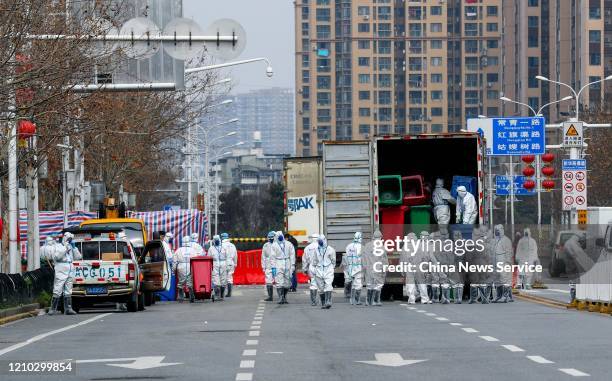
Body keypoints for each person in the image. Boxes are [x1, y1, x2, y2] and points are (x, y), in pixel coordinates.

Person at [47, 232, 82, 315]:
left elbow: (78, 257)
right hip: (61, 267)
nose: (69, 240)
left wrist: (74, 248)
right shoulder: (57, 246)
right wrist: (65, 247)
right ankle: (53, 308)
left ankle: (68, 308)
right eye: (68, 238)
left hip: (70, 267)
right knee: (58, 288)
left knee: (68, 289)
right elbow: (56, 257)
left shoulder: (70, 246)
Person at [362, 230, 387, 306]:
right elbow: (384, 259)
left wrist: (364, 267)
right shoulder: (381, 247)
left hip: (369, 268)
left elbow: (363, 258)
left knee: (369, 285)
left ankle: (368, 301)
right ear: (380, 237)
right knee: (378, 285)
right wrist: (385, 268)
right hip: (377, 268)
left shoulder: (367, 246)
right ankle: (376, 301)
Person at [271, 231, 296, 304]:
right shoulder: (274, 245)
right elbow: (272, 257)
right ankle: (280, 297)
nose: (280, 237)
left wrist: (292, 265)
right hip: (278, 263)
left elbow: (292, 255)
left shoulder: (289, 244)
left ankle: (284, 296)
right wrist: (273, 267)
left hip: (287, 262)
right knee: (279, 281)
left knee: (287, 282)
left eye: (280, 235)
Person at [491, 225, 513, 303]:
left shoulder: (506, 240)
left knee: (504, 279)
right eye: (495, 230)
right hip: (495, 262)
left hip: (503, 262)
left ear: (502, 230)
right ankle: (498, 295)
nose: (497, 232)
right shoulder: (494, 240)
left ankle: (505, 296)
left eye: (498, 230)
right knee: (497, 279)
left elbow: (509, 252)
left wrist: (507, 262)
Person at [313, 234, 336, 309]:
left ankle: (328, 301)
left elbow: (333, 260)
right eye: (319, 241)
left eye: (321, 241)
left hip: (328, 269)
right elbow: (315, 260)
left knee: (328, 285)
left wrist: (331, 268)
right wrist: (314, 269)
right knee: (321, 288)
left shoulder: (330, 249)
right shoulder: (316, 250)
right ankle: (323, 303)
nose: (320, 243)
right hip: (319, 270)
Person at [173, 236, 196, 303]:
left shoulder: (178, 250)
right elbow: (196, 259)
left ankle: (181, 297)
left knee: (181, 282)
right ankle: (191, 296)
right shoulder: (193, 250)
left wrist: (174, 269)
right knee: (190, 282)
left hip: (181, 266)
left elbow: (175, 261)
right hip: (190, 266)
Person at [344, 232, 364, 305]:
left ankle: (352, 299)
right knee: (358, 284)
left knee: (353, 284)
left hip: (350, 267)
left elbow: (346, 256)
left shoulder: (349, 246)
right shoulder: (361, 247)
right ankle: (357, 300)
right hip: (358, 268)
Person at [401, 232, 419, 304]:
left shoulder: (405, 247)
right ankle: (420, 296)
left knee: (410, 282)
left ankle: (412, 298)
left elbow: (402, 259)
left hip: (409, 267)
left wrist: (402, 268)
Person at [302, 233, 319, 306]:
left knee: (313, 283)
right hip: (320, 267)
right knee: (323, 284)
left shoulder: (307, 248)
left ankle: (313, 301)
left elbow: (304, 260)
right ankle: (323, 300)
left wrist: (304, 269)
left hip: (311, 266)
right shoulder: (322, 246)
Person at [209, 235, 228, 300]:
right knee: (215, 280)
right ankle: (217, 295)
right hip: (214, 264)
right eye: (215, 239)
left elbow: (227, 257)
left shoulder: (224, 247)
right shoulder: (211, 248)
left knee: (223, 280)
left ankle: (222, 294)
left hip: (223, 264)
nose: (216, 241)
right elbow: (209, 258)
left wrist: (228, 265)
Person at [451, 230, 466, 304]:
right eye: (456, 235)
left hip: (462, 265)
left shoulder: (464, 245)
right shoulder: (451, 245)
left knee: (460, 282)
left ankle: (459, 298)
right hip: (454, 265)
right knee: (455, 283)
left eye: (459, 235)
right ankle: (456, 298)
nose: (457, 237)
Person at [221, 233, 238, 297]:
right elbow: (236, 255)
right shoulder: (232, 245)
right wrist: (235, 263)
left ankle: (221, 293)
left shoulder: (221, 245)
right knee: (230, 278)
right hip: (231, 263)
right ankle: (229, 293)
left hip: (224, 262)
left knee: (222, 278)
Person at [261, 231, 276, 301]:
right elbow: (263, 257)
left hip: (277, 265)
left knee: (280, 281)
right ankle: (270, 296)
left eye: (272, 238)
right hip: (268, 265)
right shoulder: (266, 245)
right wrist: (263, 266)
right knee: (268, 281)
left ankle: (282, 297)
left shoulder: (278, 245)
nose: (271, 239)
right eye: (270, 238)